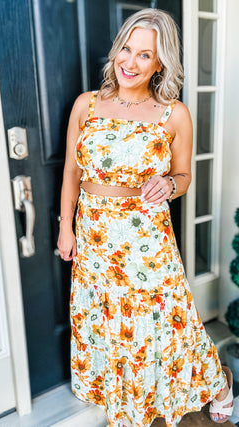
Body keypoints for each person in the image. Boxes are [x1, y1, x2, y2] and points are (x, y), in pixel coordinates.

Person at [57, 8, 233, 427]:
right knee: (107, 323)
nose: (129, 63)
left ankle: (220, 382)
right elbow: (70, 173)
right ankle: (129, 406)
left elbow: (185, 175)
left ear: (160, 64)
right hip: (95, 237)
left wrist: (170, 186)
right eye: (126, 49)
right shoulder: (87, 105)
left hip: (146, 242)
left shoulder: (173, 114)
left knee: (170, 326)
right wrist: (66, 226)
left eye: (144, 55)